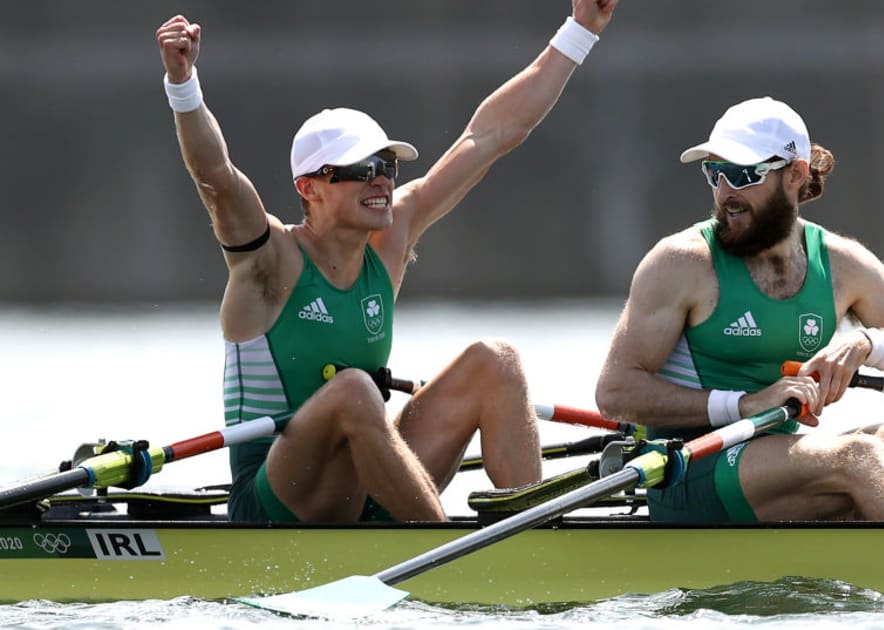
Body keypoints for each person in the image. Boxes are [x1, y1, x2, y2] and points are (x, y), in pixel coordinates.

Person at [155, 1, 620, 523]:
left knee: (496, 362)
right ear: (310, 188)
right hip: (276, 500)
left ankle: (538, 542)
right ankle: (444, 545)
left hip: (361, 480)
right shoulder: (269, 263)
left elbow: (489, 137)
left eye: (388, 165)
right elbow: (216, 176)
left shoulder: (389, 240)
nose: (382, 179)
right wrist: (183, 84)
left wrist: (580, 31)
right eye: (362, 169)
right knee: (354, 388)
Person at [595, 96, 884, 523]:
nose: (725, 193)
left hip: (774, 464)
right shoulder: (682, 263)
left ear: (796, 175)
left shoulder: (841, 265)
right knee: (857, 457)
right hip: (688, 471)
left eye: (743, 175)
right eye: (714, 173)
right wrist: (744, 404)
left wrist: (869, 345)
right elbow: (615, 394)